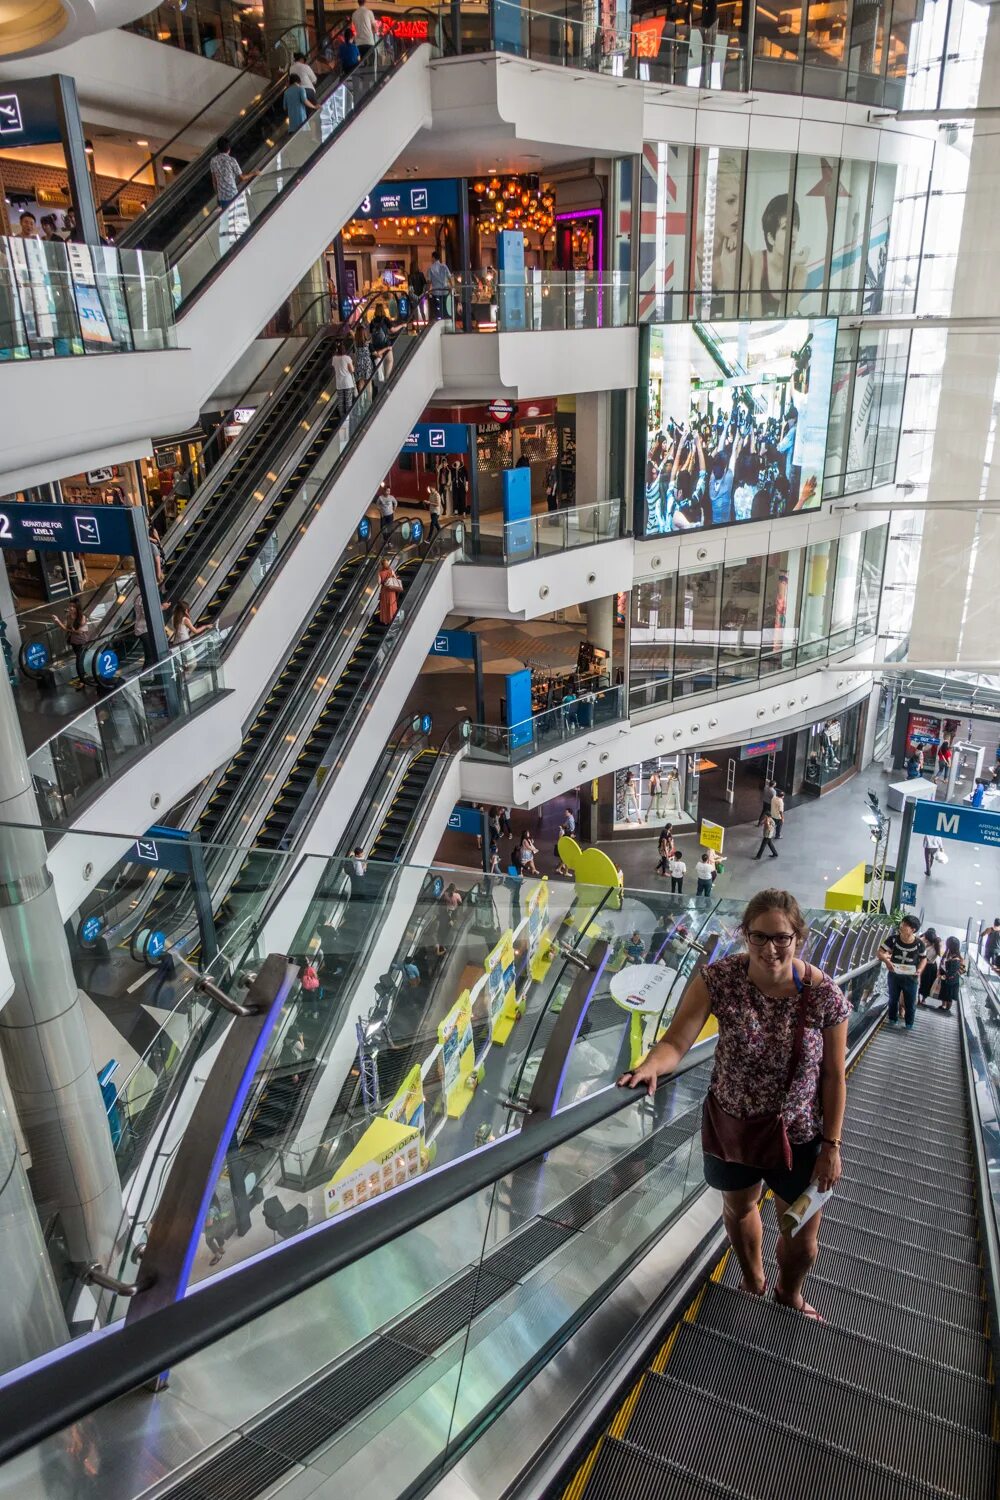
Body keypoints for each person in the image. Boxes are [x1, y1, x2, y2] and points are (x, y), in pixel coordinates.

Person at [619, 889, 848, 1320]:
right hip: (733, 1126)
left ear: (799, 937)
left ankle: (788, 1291)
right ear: (745, 935)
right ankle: (753, 1280)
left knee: (802, 1240)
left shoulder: (824, 995)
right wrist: (652, 1065)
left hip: (799, 1136)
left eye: (781, 937)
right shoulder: (719, 979)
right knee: (738, 1209)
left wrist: (832, 1146)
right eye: (759, 937)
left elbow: (834, 1076)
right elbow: (676, 1040)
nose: (770, 948)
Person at [878, 914, 925, 1030]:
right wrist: (887, 962)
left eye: (905, 925)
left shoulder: (919, 944)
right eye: (902, 923)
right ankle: (892, 1020)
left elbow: (924, 959)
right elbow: (880, 952)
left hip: (911, 977)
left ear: (913, 929)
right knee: (893, 999)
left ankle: (909, 1024)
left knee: (910, 1002)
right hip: (894, 975)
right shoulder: (893, 939)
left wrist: (919, 970)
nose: (901, 926)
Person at [209, 137, 256, 208]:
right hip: (233, 194)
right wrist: (254, 173)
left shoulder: (213, 161)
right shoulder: (232, 161)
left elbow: (214, 181)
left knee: (227, 216)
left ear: (218, 148)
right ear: (229, 149)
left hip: (223, 197)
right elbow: (242, 178)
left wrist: (218, 196)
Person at [58, 601, 91, 687]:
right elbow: (65, 628)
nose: (71, 608)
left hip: (82, 642)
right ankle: (84, 676)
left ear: (77, 608)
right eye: (70, 606)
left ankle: (82, 681)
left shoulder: (82, 617)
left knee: (78, 662)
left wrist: (70, 629)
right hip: (74, 642)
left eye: (73, 606)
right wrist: (58, 621)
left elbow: (79, 632)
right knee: (80, 660)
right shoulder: (68, 617)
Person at [171, 599, 208, 671]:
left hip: (177, 643)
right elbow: (195, 631)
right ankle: (186, 679)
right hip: (185, 643)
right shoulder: (185, 619)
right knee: (193, 664)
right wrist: (205, 626)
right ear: (185, 610)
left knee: (184, 664)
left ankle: (183, 677)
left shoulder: (174, 618)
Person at [938, 935, 965, 1014]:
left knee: (948, 994)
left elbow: (953, 971)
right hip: (947, 977)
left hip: (951, 979)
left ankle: (947, 1008)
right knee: (944, 992)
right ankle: (943, 1005)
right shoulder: (949, 953)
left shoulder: (956, 958)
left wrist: (944, 976)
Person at [368, 303, 394, 384]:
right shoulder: (385, 319)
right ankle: (386, 378)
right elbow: (392, 330)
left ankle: (381, 375)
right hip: (385, 344)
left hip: (376, 345)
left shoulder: (372, 321)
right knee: (390, 360)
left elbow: (370, 334)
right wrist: (402, 326)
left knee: (380, 359)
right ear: (383, 310)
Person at [330, 339, 356, 418]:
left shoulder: (334, 358)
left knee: (341, 402)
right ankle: (348, 418)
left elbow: (334, 366)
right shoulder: (347, 358)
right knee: (348, 402)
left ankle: (342, 417)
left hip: (339, 383)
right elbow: (352, 370)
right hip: (348, 383)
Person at [918, 929, 942, 1008]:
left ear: (928, 938)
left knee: (925, 983)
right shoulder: (929, 945)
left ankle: (922, 999)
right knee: (923, 983)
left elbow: (925, 959)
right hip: (929, 966)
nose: (924, 937)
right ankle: (919, 998)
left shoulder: (933, 948)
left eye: (925, 936)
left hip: (928, 967)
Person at [377, 555, 403, 626]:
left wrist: (383, 581)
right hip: (391, 590)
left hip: (384, 591)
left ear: (382, 565)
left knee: (384, 605)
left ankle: (385, 621)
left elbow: (379, 583)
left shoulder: (380, 573)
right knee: (391, 604)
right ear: (387, 564)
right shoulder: (391, 571)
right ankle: (392, 619)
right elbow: (395, 578)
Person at [427, 249, 453, 319]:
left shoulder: (430, 268)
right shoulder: (444, 266)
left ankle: (438, 321)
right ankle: (445, 320)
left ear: (433, 258)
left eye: (431, 258)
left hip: (436, 292)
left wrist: (428, 291)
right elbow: (450, 277)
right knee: (445, 308)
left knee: (437, 309)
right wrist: (452, 287)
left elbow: (429, 281)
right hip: (445, 291)